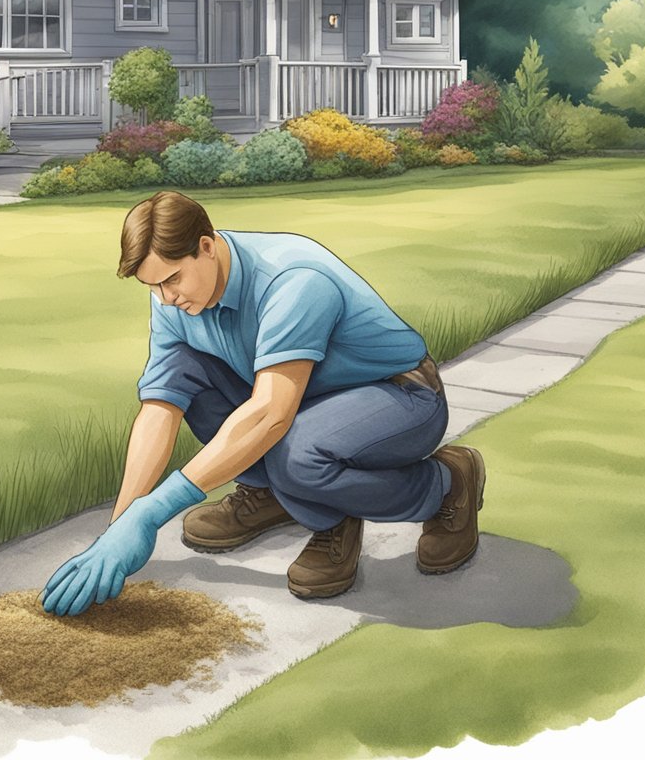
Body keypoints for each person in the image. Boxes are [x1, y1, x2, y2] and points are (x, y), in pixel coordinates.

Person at [41, 191, 485, 618]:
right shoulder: (173, 299)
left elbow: (271, 415)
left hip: (398, 396)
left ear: (206, 246)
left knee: (298, 457)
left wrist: (155, 510)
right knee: (191, 381)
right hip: (303, 405)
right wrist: (122, 525)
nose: (166, 299)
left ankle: (444, 484)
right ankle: (281, 496)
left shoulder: (292, 279)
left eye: (172, 279)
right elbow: (160, 408)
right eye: (152, 287)